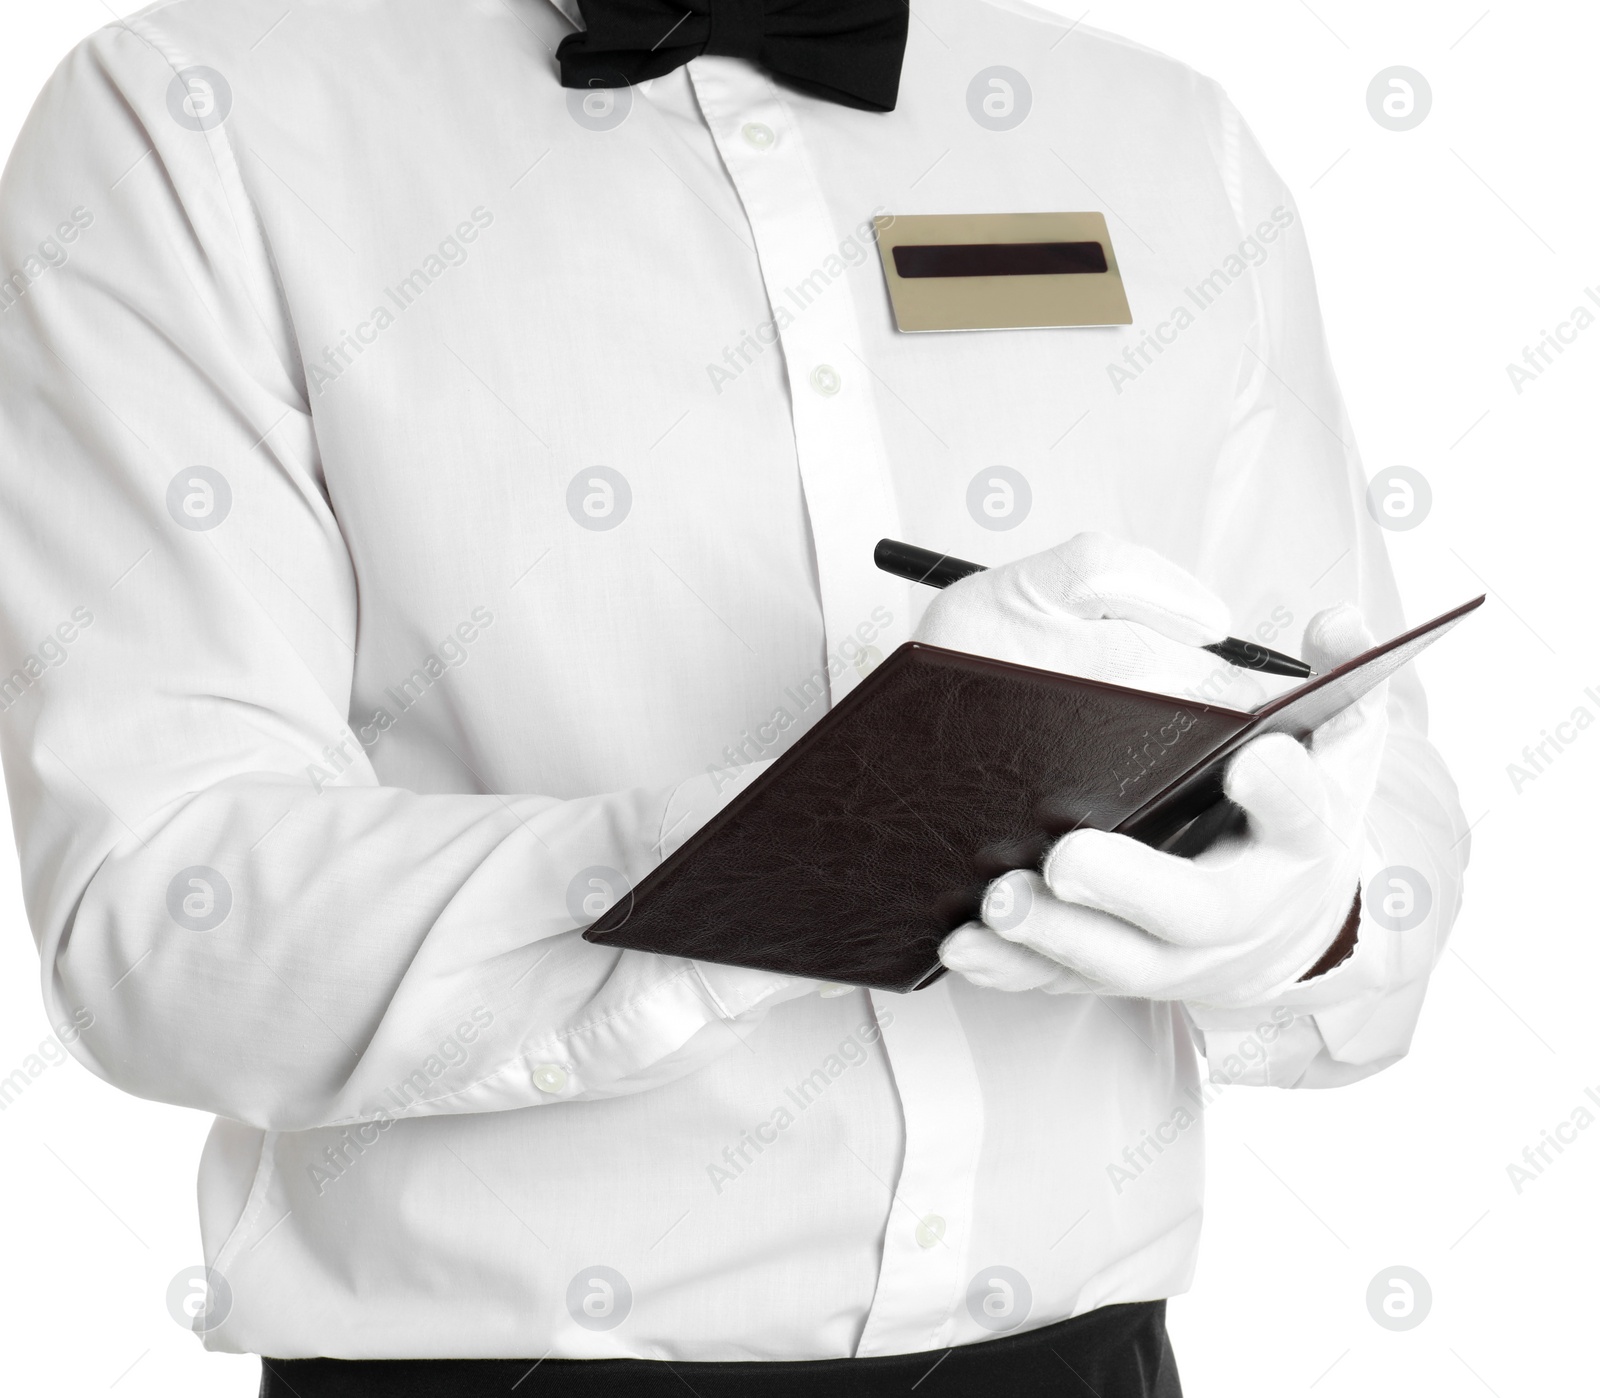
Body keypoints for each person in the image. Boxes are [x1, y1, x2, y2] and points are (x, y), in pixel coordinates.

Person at [0, 0, 1466, 1394]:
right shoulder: (194, 120)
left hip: (1091, 1360)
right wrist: (786, 865)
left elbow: (1382, 799)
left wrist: (1306, 908)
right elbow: (156, 917)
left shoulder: (1158, 134)